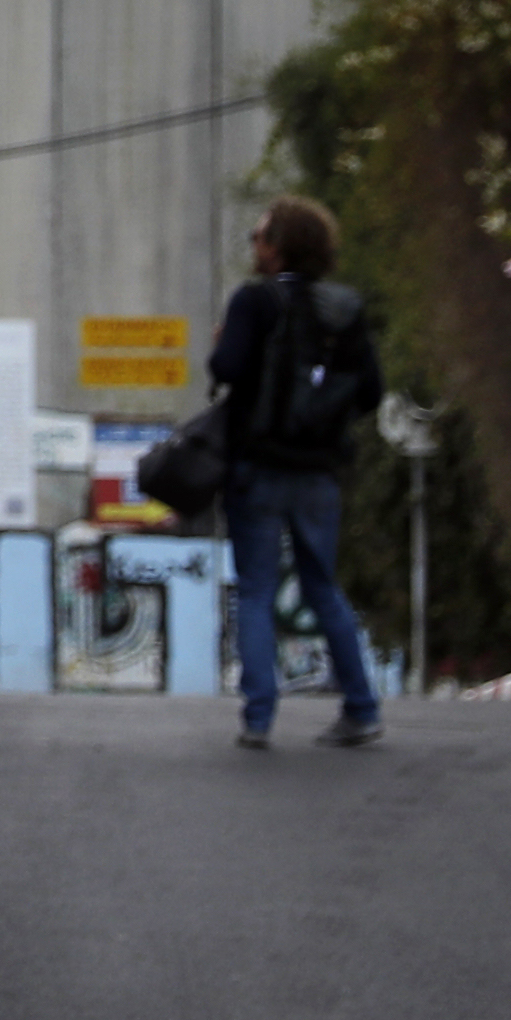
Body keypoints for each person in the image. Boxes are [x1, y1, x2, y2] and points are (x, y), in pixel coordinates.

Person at [211, 197, 390, 750]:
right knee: (322, 587)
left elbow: (226, 370)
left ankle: (259, 720)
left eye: (259, 236)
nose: (254, 246)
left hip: (257, 467)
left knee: (258, 591)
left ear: (278, 247)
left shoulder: (253, 302)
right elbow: (371, 392)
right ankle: (361, 708)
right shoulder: (344, 309)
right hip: (319, 472)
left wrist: (222, 347)